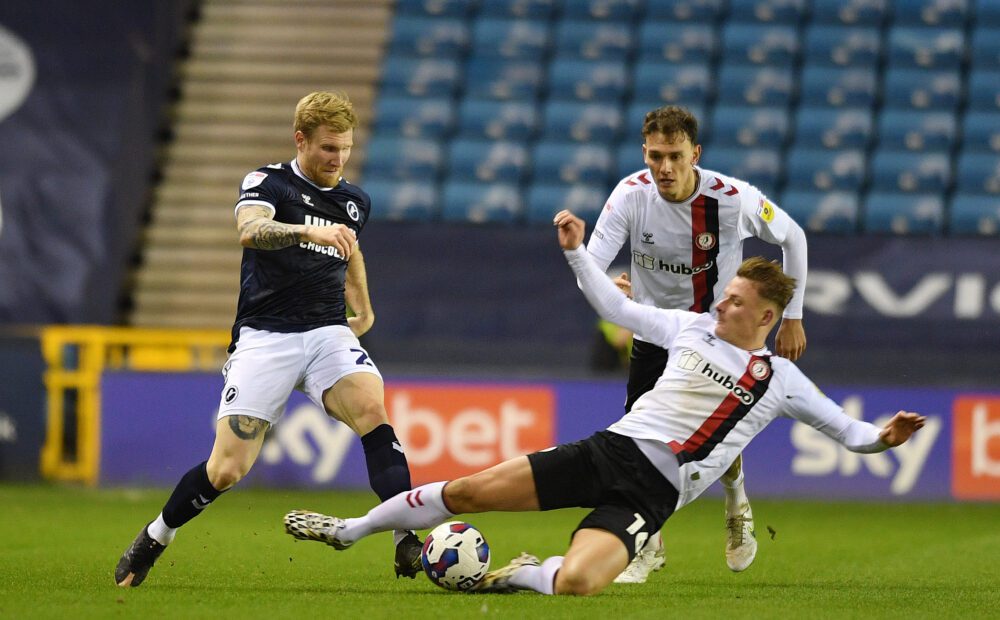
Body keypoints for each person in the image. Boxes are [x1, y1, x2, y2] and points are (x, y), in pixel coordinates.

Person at [280, 210, 926, 597]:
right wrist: (576, 255)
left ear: (765, 316)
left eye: (735, 301)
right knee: (472, 491)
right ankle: (351, 531)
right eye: (725, 294)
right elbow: (617, 307)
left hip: (652, 496)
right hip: (608, 451)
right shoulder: (691, 328)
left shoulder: (780, 380)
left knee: (578, 583)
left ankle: (517, 575)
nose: (722, 303)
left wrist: (884, 437)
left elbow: (848, 431)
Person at [114, 91, 424, 587]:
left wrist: (363, 306)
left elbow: (350, 248)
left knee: (372, 410)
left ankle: (404, 536)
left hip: (327, 331)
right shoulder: (268, 182)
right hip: (266, 336)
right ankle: (156, 536)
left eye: (345, 148)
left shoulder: (354, 201)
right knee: (227, 469)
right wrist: (308, 232)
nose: (338, 158)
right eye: (328, 148)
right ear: (301, 140)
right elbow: (251, 230)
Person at [588, 105, 810, 581]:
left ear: (696, 154)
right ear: (644, 153)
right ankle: (647, 545)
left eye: (675, 156)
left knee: (713, 442)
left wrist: (792, 317)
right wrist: (608, 287)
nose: (665, 167)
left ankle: (735, 503)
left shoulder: (732, 200)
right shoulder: (630, 195)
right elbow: (591, 262)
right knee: (639, 440)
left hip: (715, 335)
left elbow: (794, 238)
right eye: (655, 156)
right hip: (654, 332)